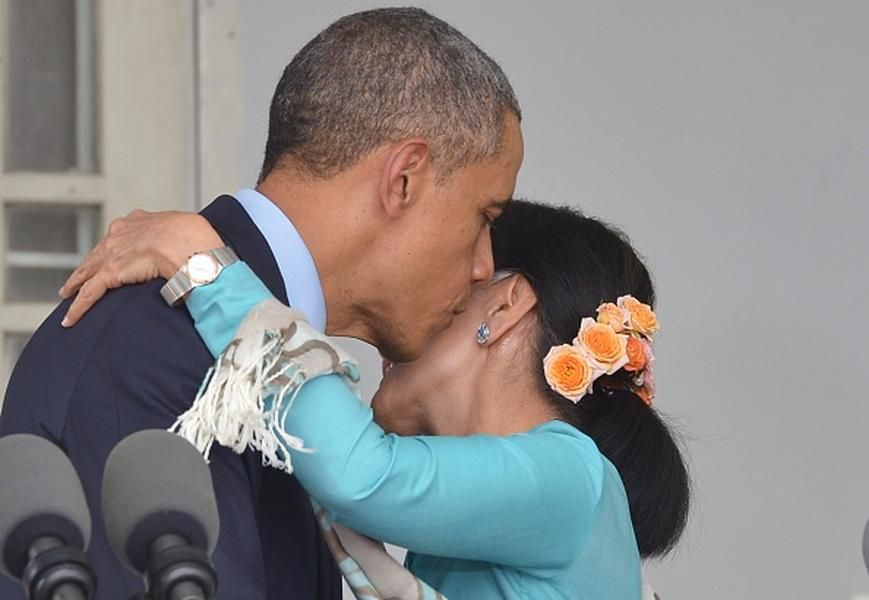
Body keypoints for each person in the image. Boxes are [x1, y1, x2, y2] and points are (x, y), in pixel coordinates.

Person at [0, 8, 522, 599]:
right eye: (486, 217)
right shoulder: (154, 347)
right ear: (404, 179)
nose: (483, 265)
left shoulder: (266, 361)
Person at [63, 200, 690, 599]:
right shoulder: (484, 524)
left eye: (455, 283)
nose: (405, 323)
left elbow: (362, 475)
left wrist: (202, 266)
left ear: (503, 305)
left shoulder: (574, 476)